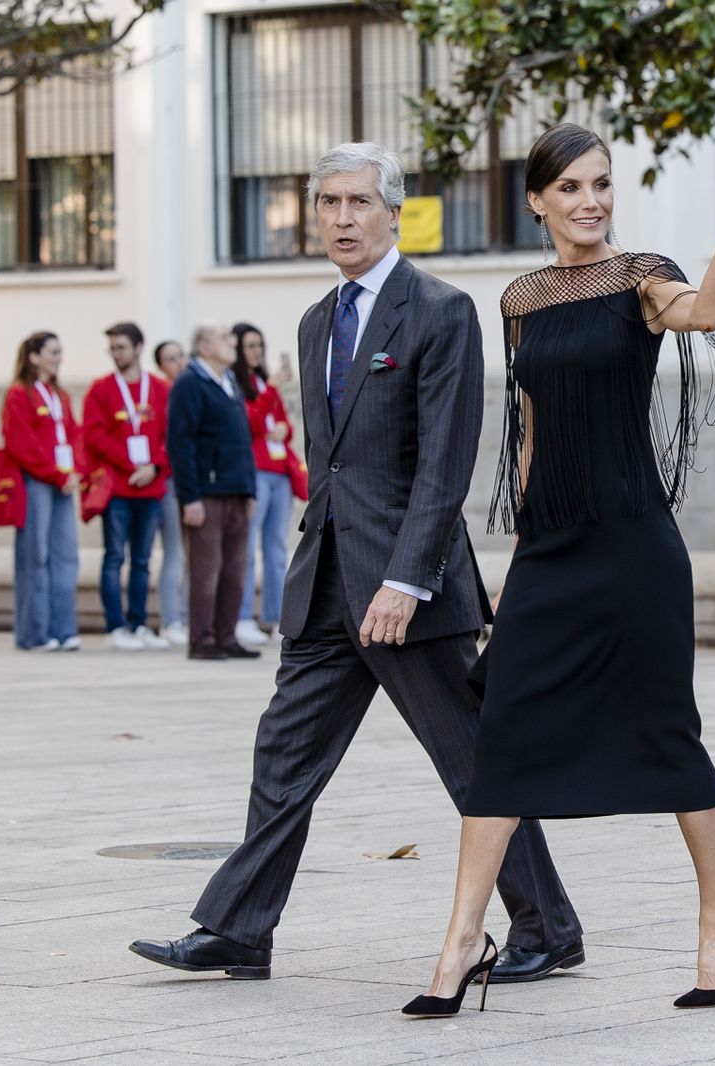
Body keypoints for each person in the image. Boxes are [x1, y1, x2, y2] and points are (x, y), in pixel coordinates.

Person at [131, 141, 580, 987]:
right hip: (327, 583)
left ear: (393, 213)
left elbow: (445, 465)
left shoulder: (441, 310)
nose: (341, 219)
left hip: (411, 590)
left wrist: (407, 581)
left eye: (358, 203)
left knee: (471, 761)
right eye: (328, 204)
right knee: (283, 756)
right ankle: (239, 928)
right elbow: (330, 462)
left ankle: (548, 926)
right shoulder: (313, 322)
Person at [403, 124, 715, 1018]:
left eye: (601, 184)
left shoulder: (640, 277)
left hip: (634, 547)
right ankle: (459, 944)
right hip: (552, 553)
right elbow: (531, 437)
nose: (591, 201)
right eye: (572, 188)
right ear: (538, 201)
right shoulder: (519, 299)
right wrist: (516, 570)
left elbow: (704, 314)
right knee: (503, 736)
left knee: (668, 733)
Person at [164, 324, 258, 661]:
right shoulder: (190, 383)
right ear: (204, 346)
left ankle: (225, 635)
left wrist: (249, 489)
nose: (233, 343)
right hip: (206, 493)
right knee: (206, 569)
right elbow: (180, 443)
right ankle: (202, 639)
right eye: (224, 338)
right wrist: (190, 497)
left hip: (235, 489)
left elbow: (242, 441)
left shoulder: (229, 381)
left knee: (235, 569)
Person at [83, 322, 172, 651]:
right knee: (114, 557)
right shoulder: (101, 389)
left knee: (143, 560)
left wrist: (155, 466)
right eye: (112, 348)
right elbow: (94, 435)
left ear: (138, 348)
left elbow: (171, 434)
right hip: (118, 489)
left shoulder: (160, 388)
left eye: (121, 347)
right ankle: (115, 626)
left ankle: (139, 624)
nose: (116, 354)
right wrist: (129, 463)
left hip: (150, 488)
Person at [1, 332, 81, 652]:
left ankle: (64, 629)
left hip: (63, 481)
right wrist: (53, 473)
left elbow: (75, 433)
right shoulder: (20, 394)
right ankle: (34, 632)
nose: (59, 357)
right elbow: (20, 443)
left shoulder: (59, 395)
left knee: (65, 555)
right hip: (37, 481)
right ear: (34, 357)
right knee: (35, 556)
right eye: (53, 352)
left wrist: (75, 471)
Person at [230, 322, 298, 650]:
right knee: (247, 550)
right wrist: (272, 388)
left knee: (275, 550)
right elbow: (249, 423)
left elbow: (281, 421)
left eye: (260, 345)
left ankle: (275, 616)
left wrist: (285, 430)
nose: (256, 352)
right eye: (250, 346)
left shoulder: (263, 381)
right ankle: (242, 616)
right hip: (255, 471)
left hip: (279, 472)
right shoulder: (237, 384)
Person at [152, 340, 189, 646]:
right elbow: (167, 439)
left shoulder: (191, 388)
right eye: (169, 359)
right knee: (173, 552)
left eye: (180, 356)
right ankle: (170, 619)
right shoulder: (164, 393)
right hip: (169, 480)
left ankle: (187, 616)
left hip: (192, 481)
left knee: (191, 554)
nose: (177, 363)